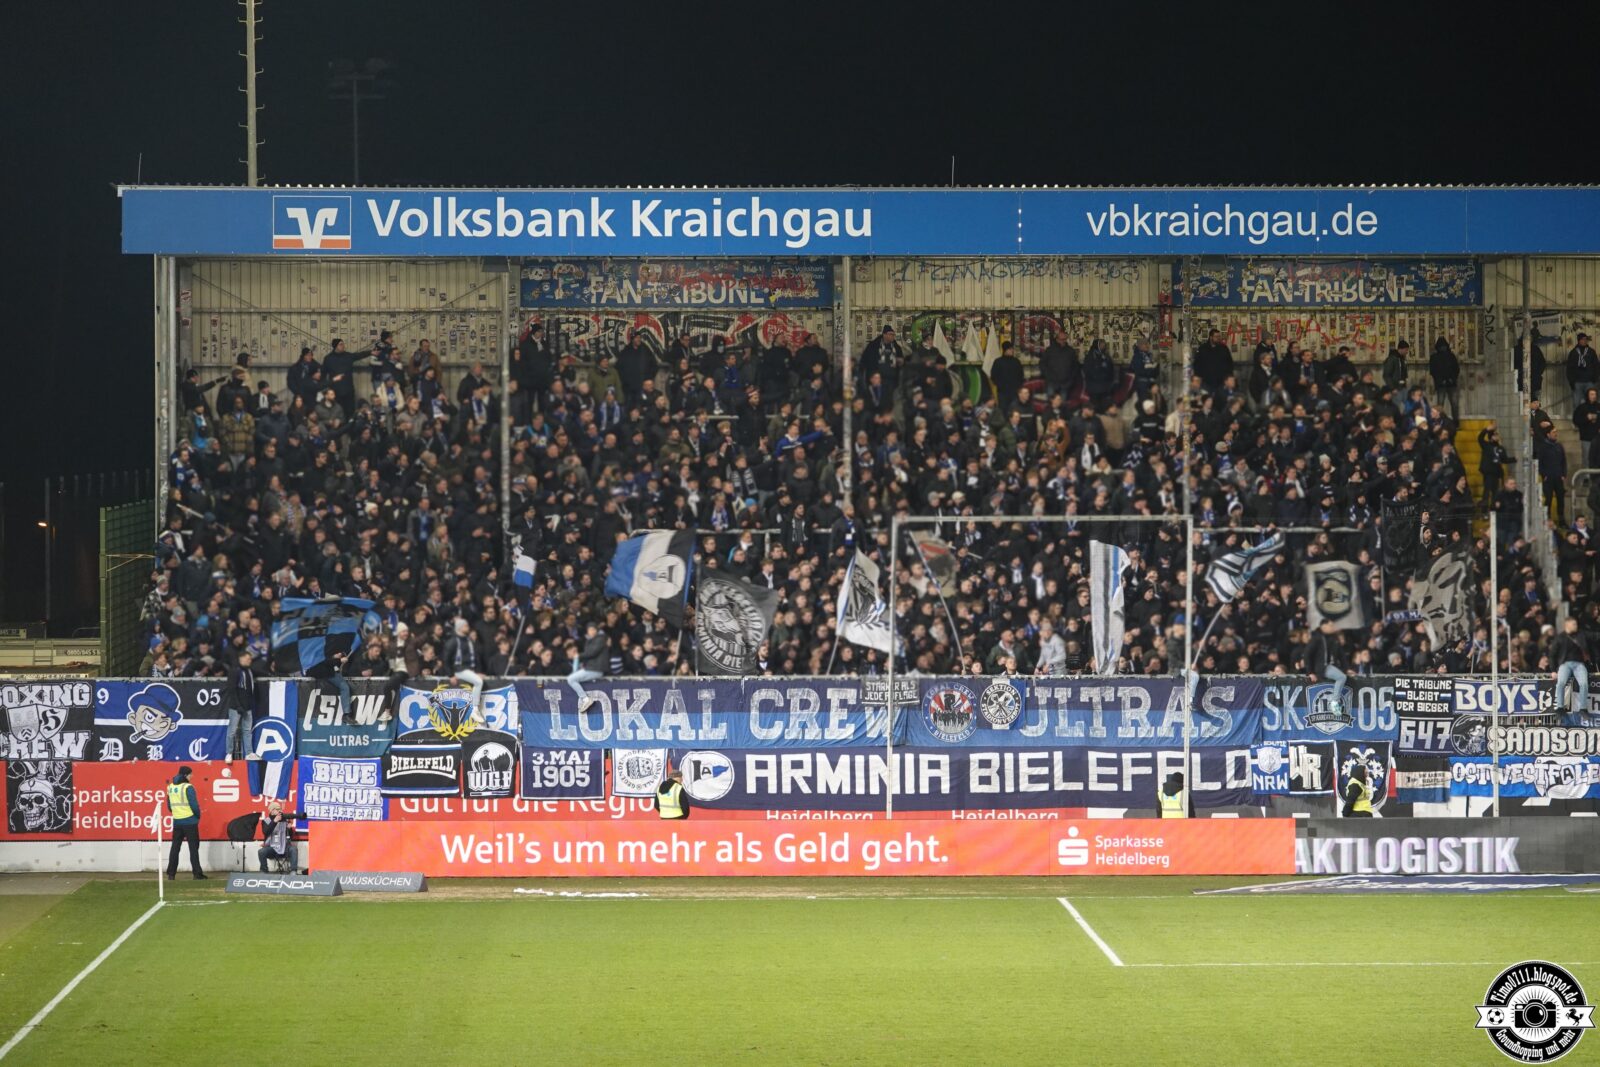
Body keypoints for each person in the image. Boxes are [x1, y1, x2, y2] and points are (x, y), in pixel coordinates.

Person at [165, 766, 205, 880]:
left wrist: (177, 813)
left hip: (177, 821)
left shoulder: (171, 787)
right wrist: (197, 816)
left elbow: (169, 805)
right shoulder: (188, 787)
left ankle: (171, 874)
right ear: (185, 775)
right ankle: (197, 874)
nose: (192, 776)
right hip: (190, 821)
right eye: (190, 774)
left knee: (175, 848)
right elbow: (194, 805)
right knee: (193, 848)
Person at [1306, 618, 1347, 715]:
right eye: (1331, 625)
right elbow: (1307, 654)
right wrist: (1310, 672)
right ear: (1324, 626)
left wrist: (1347, 668)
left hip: (1331, 665)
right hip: (1322, 667)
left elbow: (1341, 655)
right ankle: (1334, 702)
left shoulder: (1331, 638)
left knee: (1343, 676)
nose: (1333, 627)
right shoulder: (1317, 638)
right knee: (1342, 677)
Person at [1553, 617, 1591, 720]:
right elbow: (1552, 654)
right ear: (1567, 625)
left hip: (1579, 664)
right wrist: (1553, 670)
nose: (1576, 625)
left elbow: (1594, 636)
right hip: (1565, 664)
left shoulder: (1581, 634)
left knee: (1584, 683)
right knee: (1561, 683)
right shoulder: (1560, 637)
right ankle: (1560, 707)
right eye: (1573, 624)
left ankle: (1583, 708)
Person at [566, 621, 608, 710]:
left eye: (593, 629)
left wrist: (579, 655)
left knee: (571, 679)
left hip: (596, 669)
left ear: (596, 630)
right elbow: (588, 654)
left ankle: (585, 699)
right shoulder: (590, 641)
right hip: (591, 668)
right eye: (589, 630)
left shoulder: (600, 638)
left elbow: (592, 652)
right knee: (573, 676)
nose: (591, 632)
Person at [225, 649, 257, 763]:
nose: (250, 661)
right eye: (248, 659)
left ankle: (248, 753)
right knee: (232, 730)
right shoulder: (235, 671)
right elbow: (231, 689)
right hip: (236, 707)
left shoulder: (249, 671)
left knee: (247, 730)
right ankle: (228, 753)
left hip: (248, 706)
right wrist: (238, 705)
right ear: (241, 658)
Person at [257, 799, 301, 874]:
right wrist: (274, 821)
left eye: (280, 809)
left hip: (284, 847)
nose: (279, 811)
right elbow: (266, 832)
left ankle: (293, 871)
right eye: (277, 809)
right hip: (272, 848)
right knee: (261, 852)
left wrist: (289, 829)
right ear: (271, 811)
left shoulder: (284, 820)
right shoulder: (266, 820)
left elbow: (290, 837)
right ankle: (264, 871)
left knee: (293, 849)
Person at [1428, 337, 1460, 424]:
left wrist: (1443, 380)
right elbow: (1456, 369)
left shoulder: (1435, 357)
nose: (1443, 348)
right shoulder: (1450, 356)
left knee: (1444, 404)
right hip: (1449, 383)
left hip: (1444, 384)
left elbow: (1433, 371)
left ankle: (1441, 421)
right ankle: (1453, 421)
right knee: (1450, 404)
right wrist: (1450, 379)